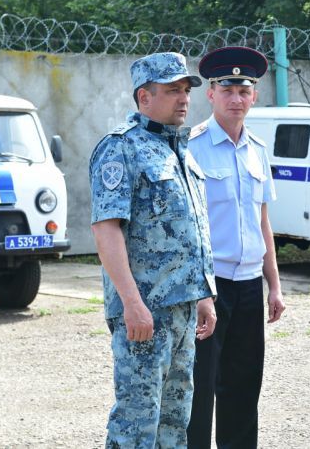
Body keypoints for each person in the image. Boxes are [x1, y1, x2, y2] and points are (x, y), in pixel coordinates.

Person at [89, 52, 217, 448]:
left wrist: (203, 295)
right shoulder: (120, 149)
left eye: (185, 90)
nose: (183, 99)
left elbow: (191, 229)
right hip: (145, 313)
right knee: (136, 423)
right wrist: (131, 302)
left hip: (181, 309)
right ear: (144, 97)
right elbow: (106, 230)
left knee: (175, 423)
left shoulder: (180, 150)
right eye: (172, 90)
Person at [186, 46, 286, 449]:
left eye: (244, 90)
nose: (236, 98)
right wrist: (198, 292)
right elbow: (189, 227)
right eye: (227, 89)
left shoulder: (258, 151)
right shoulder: (192, 147)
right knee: (200, 388)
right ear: (210, 94)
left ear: (254, 96)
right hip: (210, 287)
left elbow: (263, 223)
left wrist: (274, 286)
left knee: (244, 387)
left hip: (248, 286)